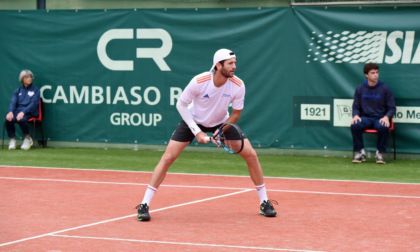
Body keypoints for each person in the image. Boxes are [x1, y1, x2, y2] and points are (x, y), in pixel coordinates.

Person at [136, 49, 277, 221]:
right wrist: (197, 131)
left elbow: (236, 114)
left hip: (221, 121)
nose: (234, 66)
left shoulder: (238, 85)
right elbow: (181, 105)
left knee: (252, 156)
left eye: (235, 62)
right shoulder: (199, 81)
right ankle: (144, 204)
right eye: (230, 63)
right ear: (218, 65)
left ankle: (264, 202)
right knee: (167, 158)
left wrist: (221, 130)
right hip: (194, 120)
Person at [351, 63, 395, 164]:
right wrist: (356, 115)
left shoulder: (385, 88)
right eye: (372, 73)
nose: (376, 75)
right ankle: (361, 153)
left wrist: (386, 117)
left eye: (377, 72)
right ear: (366, 75)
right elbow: (355, 106)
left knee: (384, 126)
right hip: (365, 118)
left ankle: (380, 153)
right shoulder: (360, 89)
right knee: (355, 124)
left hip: (380, 118)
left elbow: (392, 108)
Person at [5, 70, 40, 150]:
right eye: (27, 77)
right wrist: (10, 112)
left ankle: (28, 138)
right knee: (8, 119)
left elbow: (33, 104)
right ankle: (12, 139)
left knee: (21, 119)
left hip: (30, 112)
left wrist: (23, 112)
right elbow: (13, 102)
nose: (29, 78)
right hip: (18, 111)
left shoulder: (36, 91)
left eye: (30, 77)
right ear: (22, 79)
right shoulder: (17, 91)